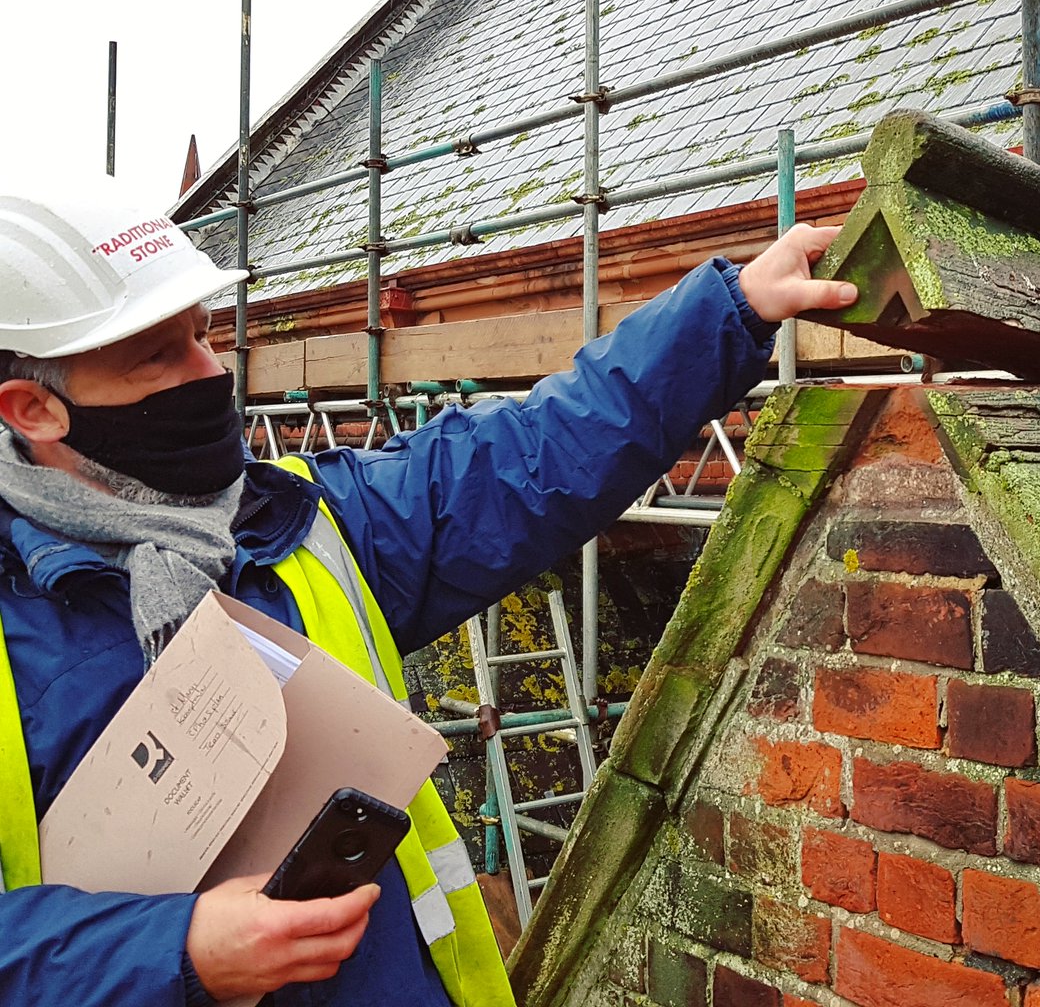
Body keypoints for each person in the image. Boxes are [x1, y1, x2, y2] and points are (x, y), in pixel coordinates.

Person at [0, 188, 856, 1007]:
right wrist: (175, 951)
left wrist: (733, 307)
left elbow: (529, 456)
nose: (211, 370)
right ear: (34, 409)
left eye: (203, 332)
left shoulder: (303, 519)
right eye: (158, 356)